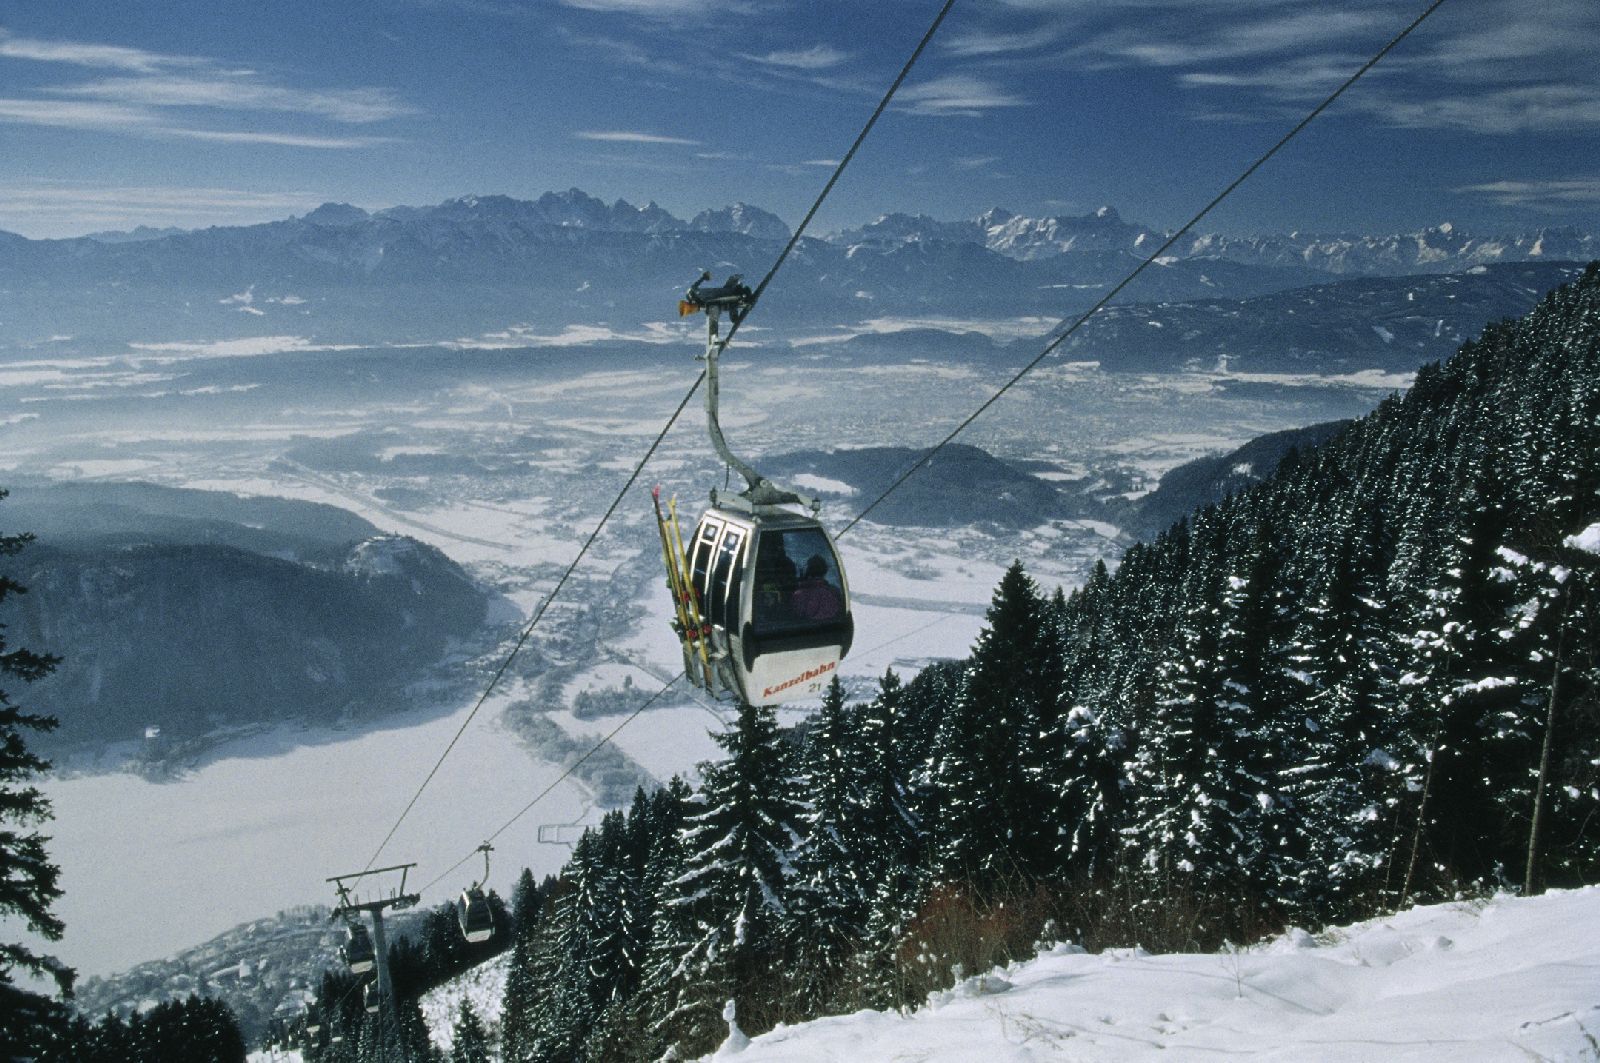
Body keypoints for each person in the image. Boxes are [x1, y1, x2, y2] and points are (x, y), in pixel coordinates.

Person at [790, 554, 843, 621]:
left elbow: (795, 619)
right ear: (824, 571)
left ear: (807, 571)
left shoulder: (799, 595)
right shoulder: (835, 593)